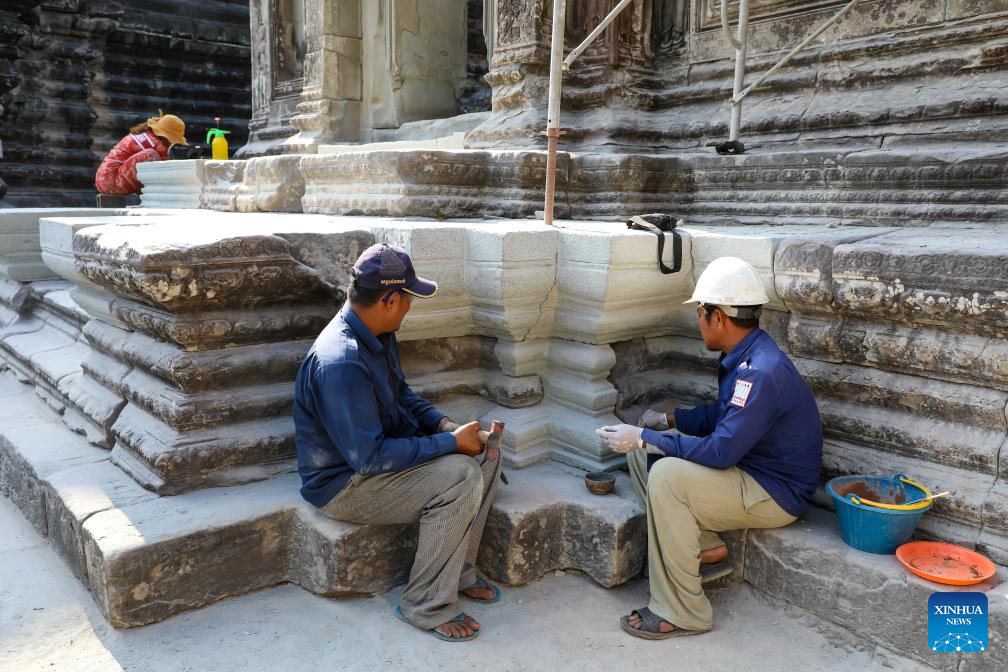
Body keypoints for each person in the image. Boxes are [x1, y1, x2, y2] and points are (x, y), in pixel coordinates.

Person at [597, 256, 822, 640]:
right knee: (642, 452)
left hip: (775, 492)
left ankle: (683, 611)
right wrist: (668, 420)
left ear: (718, 317)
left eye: (700, 313)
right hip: (750, 469)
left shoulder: (760, 372)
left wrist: (647, 436)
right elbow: (724, 415)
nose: (698, 321)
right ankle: (704, 546)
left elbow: (721, 452)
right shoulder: (749, 355)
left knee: (665, 473)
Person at [293, 242, 503, 642]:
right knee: (461, 473)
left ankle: (457, 571)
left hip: (380, 457)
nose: (409, 307)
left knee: (487, 452)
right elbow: (369, 459)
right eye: (408, 299)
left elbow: (401, 394)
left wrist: (444, 426)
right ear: (389, 300)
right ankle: (425, 603)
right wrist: (450, 445)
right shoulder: (341, 361)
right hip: (345, 485)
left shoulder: (377, 333)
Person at [94, 110, 186, 196]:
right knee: (152, 156)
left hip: (104, 180)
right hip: (112, 180)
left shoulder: (143, 135)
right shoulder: (152, 141)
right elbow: (168, 159)